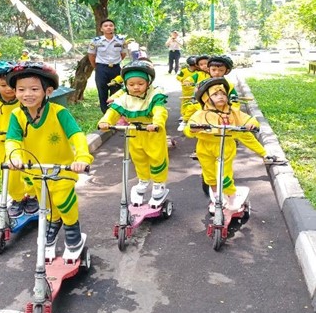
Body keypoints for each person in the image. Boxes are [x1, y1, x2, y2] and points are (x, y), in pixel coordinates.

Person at [4, 62, 94, 250]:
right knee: (46, 203)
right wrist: (14, 156)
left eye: (34, 89)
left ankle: (71, 226)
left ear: (48, 91)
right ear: (15, 91)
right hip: (36, 169)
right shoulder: (17, 115)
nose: (27, 94)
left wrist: (82, 157)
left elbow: (76, 135)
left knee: (63, 200)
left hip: (62, 169)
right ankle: (54, 221)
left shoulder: (59, 112)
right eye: (21, 89)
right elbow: (12, 139)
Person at [183, 77, 275, 212]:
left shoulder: (233, 112)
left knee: (224, 175)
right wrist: (193, 129)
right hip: (204, 147)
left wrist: (251, 124)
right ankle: (216, 197)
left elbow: (249, 120)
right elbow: (188, 129)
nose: (220, 96)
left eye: (223, 94)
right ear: (205, 98)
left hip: (225, 146)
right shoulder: (200, 114)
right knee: (209, 175)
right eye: (215, 94)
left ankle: (231, 197)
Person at [0, 61, 39, 218]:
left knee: (30, 170)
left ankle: (33, 196)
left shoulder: (24, 99)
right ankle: (17, 198)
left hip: (26, 141)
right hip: (3, 144)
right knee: (9, 175)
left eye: (11, 84)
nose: (9, 89)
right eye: (3, 85)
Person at [98, 60, 169, 200]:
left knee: (157, 157)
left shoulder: (154, 95)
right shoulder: (124, 98)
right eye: (131, 84)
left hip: (152, 131)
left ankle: (159, 182)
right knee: (138, 158)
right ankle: (143, 179)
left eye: (140, 84)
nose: (136, 87)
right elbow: (113, 111)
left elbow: (160, 111)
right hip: (134, 132)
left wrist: (157, 123)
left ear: (148, 82)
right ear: (126, 84)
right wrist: (105, 121)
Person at [88, 18, 127, 113]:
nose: (108, 27)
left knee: (116, 91)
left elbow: (123, 54)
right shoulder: (95, 41)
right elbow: (91, 55)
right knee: (102, 92)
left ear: (114, 27)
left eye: (111, 25)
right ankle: (105, 113)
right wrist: (97, 67)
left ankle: (115, 112)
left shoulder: (121, 40)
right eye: (105, 26)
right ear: (101, 29)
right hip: (101, 69)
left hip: (116, 69)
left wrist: (115, 62)